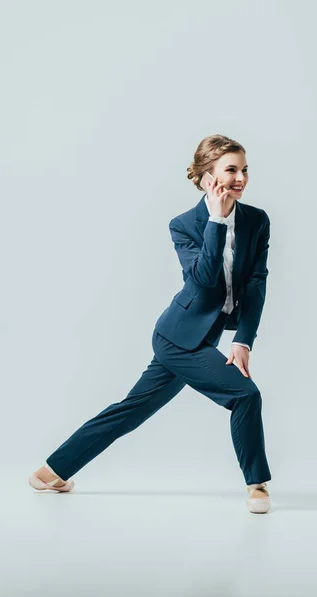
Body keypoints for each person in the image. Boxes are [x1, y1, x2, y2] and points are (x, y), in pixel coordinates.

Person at [28, 134, 272, 514]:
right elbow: (204, 280)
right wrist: (217, 220)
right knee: (245, 395)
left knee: (130, 410)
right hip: (177, 338)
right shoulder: (185, 225)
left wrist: (244, 339)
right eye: (231, 170)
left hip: (202, 337)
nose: (240, 177)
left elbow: (257, 282)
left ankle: (49, 472)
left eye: (245, 170)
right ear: (209, 178)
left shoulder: (257, 220)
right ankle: (257, 486)